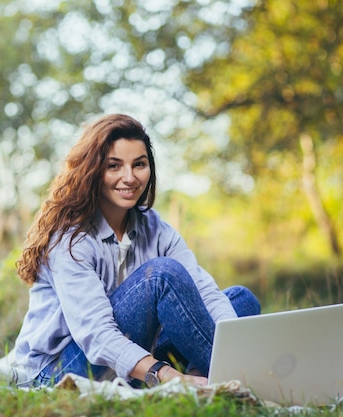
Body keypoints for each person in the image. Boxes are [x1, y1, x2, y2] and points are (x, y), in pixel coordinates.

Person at [13, 114, 260, 388]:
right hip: (60, 368)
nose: (129, 178)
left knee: (239, 301)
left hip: (135, 352)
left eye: (139, 164)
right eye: (114, 166)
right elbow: (98, 336)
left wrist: (222, 341)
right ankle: (242, 378)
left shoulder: (155, 227)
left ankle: (209, 378)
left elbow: (205, 292)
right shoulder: (71, 240)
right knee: (161, 275)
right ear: (92, 170)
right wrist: (166, 374)